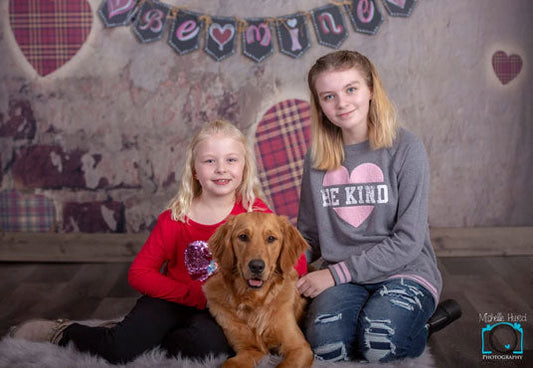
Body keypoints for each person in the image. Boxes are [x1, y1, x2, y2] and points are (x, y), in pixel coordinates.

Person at [10, 119, 308, 364]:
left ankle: (143, 335)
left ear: (244, 168)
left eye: (231, 160)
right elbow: (139, 273)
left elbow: (295, 261)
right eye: (209, 161)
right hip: (173, 299)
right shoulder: (176, 218)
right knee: (119, 349)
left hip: (225, 310)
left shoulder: (257, 213)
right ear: (195, 170)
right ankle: (65, 332)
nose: (221, 168)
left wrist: (271, 296)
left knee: (202, 349)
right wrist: (194, 296)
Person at [295, 50, 460, 363]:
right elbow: (309, 234)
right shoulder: (316, 159)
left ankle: (424, 325)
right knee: (327, 345)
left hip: (404, 271)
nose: (342, 103)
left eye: (351, 89)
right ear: (319, 104)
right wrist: (284, 271)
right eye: (328, 96)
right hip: (343, 278)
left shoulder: (405, 148)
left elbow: (409, 240)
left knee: (380, 338)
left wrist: (332, 276)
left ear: (371, 89)